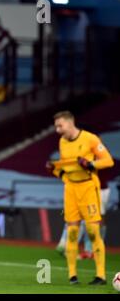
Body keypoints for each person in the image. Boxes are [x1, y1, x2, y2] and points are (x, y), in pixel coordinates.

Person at [46, 111, 114, 285]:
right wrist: (56, 170)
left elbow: (108, 161)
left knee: (92, 231)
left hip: (88, 188)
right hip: (70, 189)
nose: (57, 129)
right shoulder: (62, 142)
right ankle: (72, 276)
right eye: (56, 126)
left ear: (70, 122)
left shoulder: (90, 139)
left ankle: (100, 276)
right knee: (72, 232)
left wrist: (91, 164)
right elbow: (67, 169)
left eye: (60, 125)